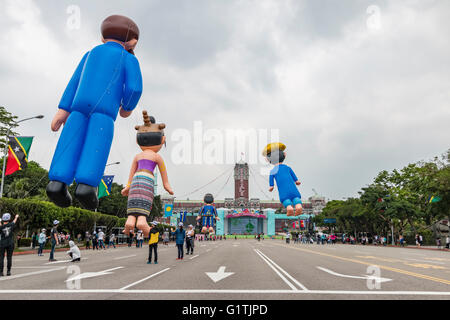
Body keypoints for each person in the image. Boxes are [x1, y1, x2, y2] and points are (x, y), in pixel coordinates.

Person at [46, 15, 143, 210]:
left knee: (69, 141)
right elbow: (134, 88)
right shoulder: (129, 59)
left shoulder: (90, 54)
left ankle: (56, 184)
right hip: (104, 113)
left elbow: (74, 82)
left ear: (102, 38)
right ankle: (87, 188)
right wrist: (126, 107)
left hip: (77, 109)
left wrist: (63, 110)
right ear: (132, 41)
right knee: (96, 146)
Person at [121, 111, 174, 237]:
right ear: (162, 139)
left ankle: (129, 225)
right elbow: (164, 178)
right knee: (141, 210)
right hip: (147, 181)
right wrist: (168, 188)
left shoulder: (137, 156)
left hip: (135, 181)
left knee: (132, 211)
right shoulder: (157, 157)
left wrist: (127, 187)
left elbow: (131, 174)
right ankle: (142, 225)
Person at [263, 142, 302, 216]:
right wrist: (296, 181)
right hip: (293, 188)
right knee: (296, 198)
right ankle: (298, 206)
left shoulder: (273, 171)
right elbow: (293, 174)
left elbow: (271, 180)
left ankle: (289, 208)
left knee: (285, 199)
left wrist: (271, 186)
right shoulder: (287, 167)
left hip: (283, 190)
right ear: (284, 155)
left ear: (268, 160)